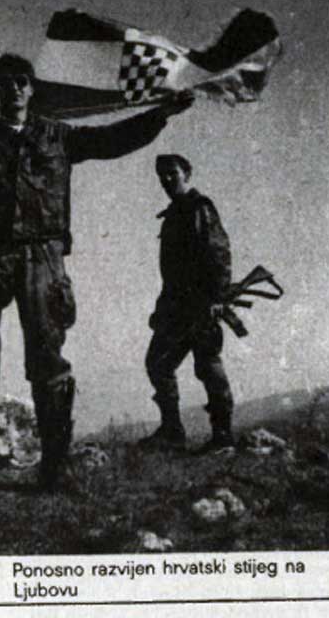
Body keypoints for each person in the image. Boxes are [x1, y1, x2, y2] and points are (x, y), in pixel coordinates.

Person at [0, 54, 194, 491]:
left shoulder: (57, 135)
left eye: (22, 81)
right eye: (5, 82)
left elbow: (113, 139)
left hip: (43, 257)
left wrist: (161, 113)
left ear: (31, 87)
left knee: (48, 358)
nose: (15, 88)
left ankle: (55, 467)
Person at [138, 154, 234, 454]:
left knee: (207, 364)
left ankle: (222, 436)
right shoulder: (174, 214)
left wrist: (217, 297)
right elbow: (172, 273)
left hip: (202, 303)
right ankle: (172, 431)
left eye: (172, 173)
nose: (166, 179)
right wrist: (161, 308)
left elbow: (218, 252)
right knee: (158, 363)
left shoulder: (199, 207)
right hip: (176, 307)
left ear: (187, 174)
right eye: (161, 175)